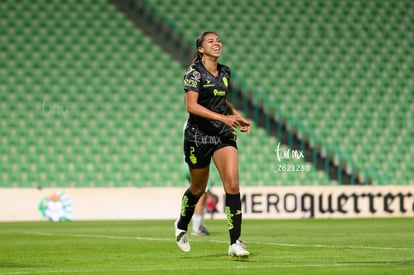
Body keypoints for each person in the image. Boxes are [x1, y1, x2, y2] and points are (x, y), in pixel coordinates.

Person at [174, 31, 251, 257]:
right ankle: (181, 224)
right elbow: (192, 106)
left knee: (233, 185)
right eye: (211, 41)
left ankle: (235, 242)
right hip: (198, 135)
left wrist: (234, 114)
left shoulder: (225, 71)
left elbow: (220, 99)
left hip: (222, 135)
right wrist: (224, 118)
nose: (217, 43)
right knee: (198, 188)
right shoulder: (194, 73)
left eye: (219, 41)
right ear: (200, 49)